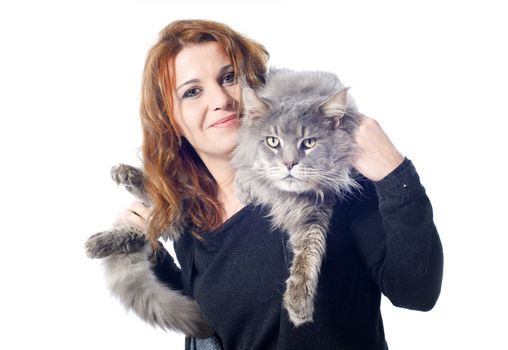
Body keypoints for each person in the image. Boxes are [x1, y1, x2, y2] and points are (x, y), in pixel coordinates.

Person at [112, 19, 444, 350]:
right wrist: (151, 255)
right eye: (192, 92)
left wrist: (396, 177)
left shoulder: (326, 183)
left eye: (229, 78)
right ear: (172, 120)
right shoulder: (194, 216)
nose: (221, 99)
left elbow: (416, 292)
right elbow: (217, 324)